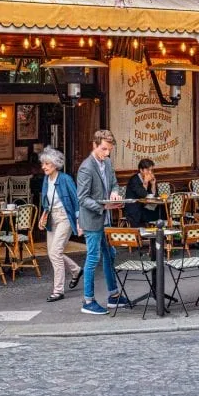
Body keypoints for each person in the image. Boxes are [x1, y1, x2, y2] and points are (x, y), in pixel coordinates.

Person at [76, 129, 130, 315]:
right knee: (93, 258)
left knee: (110, 255)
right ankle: (88, 301)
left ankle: (113, 296)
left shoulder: (107, 162)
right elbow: (82, 199)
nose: (107, 154)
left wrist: (115, 193)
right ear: (94, 145)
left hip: (105, 219)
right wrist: (104, 206)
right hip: (92, 220)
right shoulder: (86, 167)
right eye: (104, 149)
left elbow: (114, 183)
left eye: (109, 150)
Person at [37, 146, 83, 303]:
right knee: (52, 252)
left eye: (47, 164)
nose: (44, 167)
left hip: (64, 217)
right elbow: (46, 202)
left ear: (55, 164)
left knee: (55, 252)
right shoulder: (46, 179)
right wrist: (43, 217)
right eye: (43, 164)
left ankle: (58, 291)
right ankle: (76, 270)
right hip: (51, 217)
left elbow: (76, 201)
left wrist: (78, 222)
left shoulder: (65, 179)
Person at [123, 158, 161, 227]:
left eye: (151, 170)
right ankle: (142, 234)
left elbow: (155, 196)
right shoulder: (134, 180)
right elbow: (143, 195)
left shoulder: (150, 179)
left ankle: (157, 232)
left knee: (160, 210)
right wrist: (145, 182)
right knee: (144, 213)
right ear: (141, 170)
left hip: (146, 207)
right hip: (134, 208)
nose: (150, 172)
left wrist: (153, 185)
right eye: (147, 170)